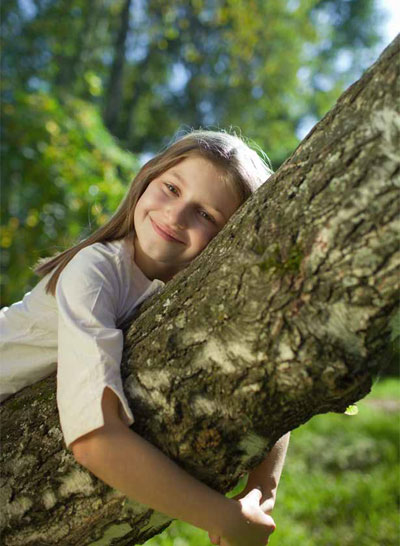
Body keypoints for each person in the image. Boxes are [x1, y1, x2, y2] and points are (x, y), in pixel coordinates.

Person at [0, 129, 290, 545]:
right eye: (171, 188)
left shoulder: (193, 289)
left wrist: (261, 492)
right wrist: (219, 516)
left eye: (206, 214)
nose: (175, 216)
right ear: (146, 180)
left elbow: (275, 368)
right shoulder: (96, 272)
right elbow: (93, 438)